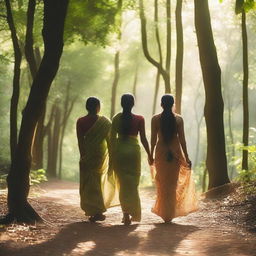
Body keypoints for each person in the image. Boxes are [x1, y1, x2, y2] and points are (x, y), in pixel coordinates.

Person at [150, 94, 198, 223]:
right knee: (172, 184)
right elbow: (182, 140)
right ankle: (169, 214)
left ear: (161, 104)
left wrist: (150, 155)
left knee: (163, 183)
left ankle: (165, 213)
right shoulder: (179, 120)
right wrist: (186, 157)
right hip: (175, 153)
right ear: (172, 105)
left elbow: (153, 139)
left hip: (160, 153)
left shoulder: (155, 119)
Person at [111, 94, 152, 225]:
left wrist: (111, 157)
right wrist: (150, 155)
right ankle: (133, 212)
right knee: (133, 184)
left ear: (121, 103)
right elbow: (144, 139)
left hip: (120, 152)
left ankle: (125, 214)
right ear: (133, 104)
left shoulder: (116, 118)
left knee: (122, 184)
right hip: (133, 153)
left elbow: (111, 139)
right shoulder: (140, 119)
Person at [76, 97, 118, 222]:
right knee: (97, 181)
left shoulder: (81, 121)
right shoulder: (105, 122)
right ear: (98, 107)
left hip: (87, 154)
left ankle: (93, 210)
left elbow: (80, 141)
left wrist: (83, 155)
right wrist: (112, 156)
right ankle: (97, 210)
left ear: (87, 107)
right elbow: (110, 142)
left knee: (88, 183)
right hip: (99, 155)